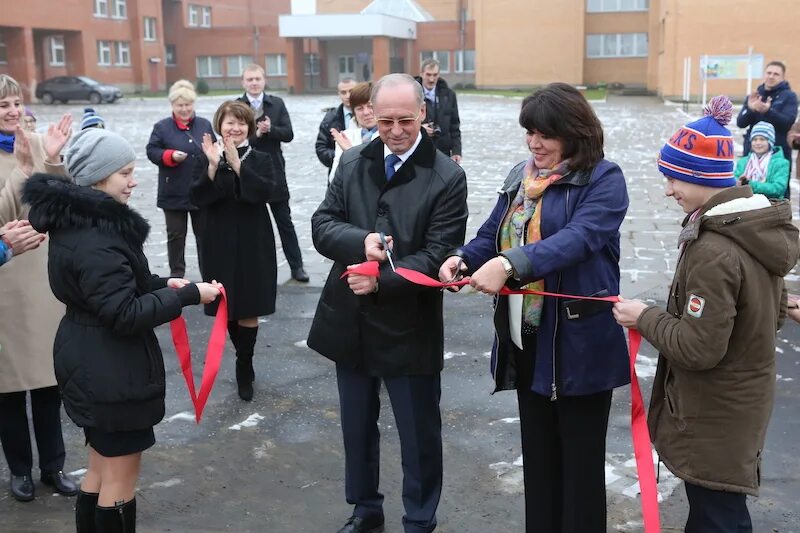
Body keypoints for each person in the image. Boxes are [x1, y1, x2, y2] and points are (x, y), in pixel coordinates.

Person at [438, 83, 629, 532]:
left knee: (580, 474)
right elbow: (492, 231)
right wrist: (464, 258)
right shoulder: (519, 177)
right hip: (528, 340)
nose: (534, 143)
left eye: (546, 134)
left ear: (575, 133)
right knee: (539, 466)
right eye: (529, 132)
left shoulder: (604, 178)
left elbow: (579, 239)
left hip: (579, 345)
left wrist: (509, 264)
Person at [613, 96, 799, 532]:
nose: (667, 189)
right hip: (739, 405)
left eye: (673, 177)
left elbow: (698, 348)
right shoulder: (752, 228)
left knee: (718, 518)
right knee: (717, 513)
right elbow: (766, 317)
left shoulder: (714, 250)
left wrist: (644, 316)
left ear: (700, 177)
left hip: (716, 412)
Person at [23, 127, 221, 532]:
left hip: (90, 358)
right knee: (119, 478)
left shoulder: (81, 223)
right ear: (97, 177)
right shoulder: (98, 236)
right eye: (125, 173)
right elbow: (123, 312)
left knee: (99, 467)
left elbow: (118, 287)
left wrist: (165, 285)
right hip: (111, 369)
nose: (134, 180)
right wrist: (187, 298)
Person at [309, 73, 468, 533]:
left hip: (408, 323)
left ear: (423, 113)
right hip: (350, 318)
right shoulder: (354, 159)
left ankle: (419, 519)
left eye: (404, 120)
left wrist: (383, 278)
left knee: (419, 433)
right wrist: (363, 242)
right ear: (369, 115)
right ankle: (364, 508)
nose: (395, 130)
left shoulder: (447, 176)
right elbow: (323, 224)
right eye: (384, 121)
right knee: (356, 427)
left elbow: (439, 250)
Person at [0, 74, 78, 503]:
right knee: (9, 389)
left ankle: (54, 466)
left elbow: (61, 203)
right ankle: (18, 471)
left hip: (41, 280)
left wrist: (51, 160)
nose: (12, 111)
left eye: (16, 102)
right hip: (4, 284)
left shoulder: (33, 140)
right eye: (2, 105)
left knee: (49, 383)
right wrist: (23, 173)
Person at [191, 100, 277, 402]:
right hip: (217, 240)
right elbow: (197, 197)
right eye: (230, 122)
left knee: (249, 304)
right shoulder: (205, 157)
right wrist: (214, 166)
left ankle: (245, 364)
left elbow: (267, 192)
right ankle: (242, 354)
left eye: (241, 123)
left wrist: (239, 166)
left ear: (249, 127)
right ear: (219, 125)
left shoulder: (261, 158)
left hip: (253, 240)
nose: (235, 128)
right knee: (226, 305)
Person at [237, 64, 308, 282]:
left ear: (264, 80)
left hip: (274, 170)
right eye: (250, 79)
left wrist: (272, 130)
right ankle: (252, 269)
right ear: (243, 82)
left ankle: (297, 266)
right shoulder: (238, 106)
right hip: (247, 169)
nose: (254, 83)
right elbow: (233, 138)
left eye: (257, 78)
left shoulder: (276, 103)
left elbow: (289, 134)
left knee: (284, 222)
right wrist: (257, 133)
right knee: (250, 224)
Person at [146, 80, 215, 278]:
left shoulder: (204, 124)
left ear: (193, 104)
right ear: (172, 106)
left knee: (205, 236)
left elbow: (214, 148)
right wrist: (168, 156)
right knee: (175, 236)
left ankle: (209, 275)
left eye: (187, 105)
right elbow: (152, 151)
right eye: (179, 105)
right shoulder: (162, 127)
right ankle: (177, 275)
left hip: (200, 189)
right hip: (173, 191)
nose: (184, 109)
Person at [736, 61, 798, 195]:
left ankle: (780, 214)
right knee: (747, 188)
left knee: (778, 189)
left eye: (776, 74)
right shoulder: (754, 96)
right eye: (769, 73)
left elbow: (787, 122)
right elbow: (740, 122)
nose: (771, 76)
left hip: (776, 153)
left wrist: (768, 111)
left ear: (783, 77)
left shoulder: (789, 97)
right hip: (752, 151)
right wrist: (751, 109)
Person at [414, 58, 462, 164]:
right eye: (428, 74)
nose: (431, 79)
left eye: (435, 75)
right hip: (418, 150)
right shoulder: (411, 94)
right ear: (421, 74)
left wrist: (456, 151)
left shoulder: (449, 95)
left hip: (443, 151)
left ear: (439, 75)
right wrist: (419, 129)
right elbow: (403, 120)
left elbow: (455, 125)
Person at [329, 82, 378, 176]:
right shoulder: (346, 137)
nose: (366, 112)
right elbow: (334, 178)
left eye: (370, 106)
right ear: (354, 112)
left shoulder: (391, 136)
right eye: (360, 108)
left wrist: (351, 153)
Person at [734, 121, 790, 198]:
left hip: (771, 205)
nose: (758, 143)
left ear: (770, 142)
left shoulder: (781, 163)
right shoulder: (743, 162)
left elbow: (778, 189)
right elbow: (734, 180)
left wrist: (750, 185)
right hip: (745, 203)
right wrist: (738, 182)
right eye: (754, 139)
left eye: (762, 139)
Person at [316, 77, 357, 180]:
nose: (348, 96)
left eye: (351, 91)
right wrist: (341, 157)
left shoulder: (369, 115)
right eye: (343, 92)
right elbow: (321, 148)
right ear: (339, 94)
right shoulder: (330, 118)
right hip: (338, 174)